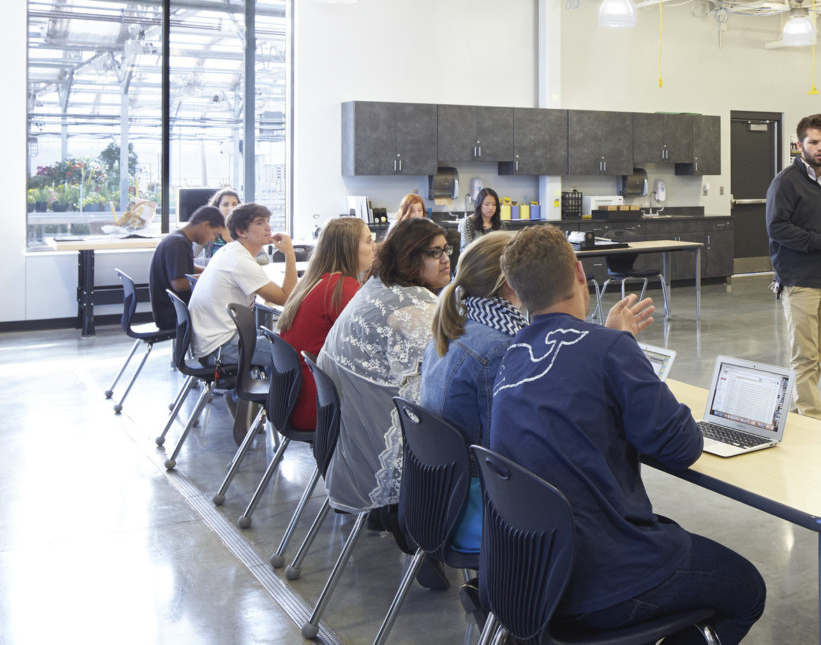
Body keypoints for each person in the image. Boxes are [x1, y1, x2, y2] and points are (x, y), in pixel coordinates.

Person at [490, 225, 765, 644]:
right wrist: (624, 348)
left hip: (534, 578)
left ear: (513, 289)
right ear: (580, 274)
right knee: (748, 591)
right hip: (609, 578)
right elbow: (682, 446)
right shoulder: (608, 350)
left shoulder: (510, 359)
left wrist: (612, 341)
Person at [421, 231, 656, 554]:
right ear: (511, 284)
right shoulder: (502, 348)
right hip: (489, 512)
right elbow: (523, 454)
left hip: (445, 500)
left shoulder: (457, 325)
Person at [316, 217, 451, 586]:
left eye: (446, 250)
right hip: (376, 442)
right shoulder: (413, 302)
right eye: (434, 252)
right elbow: (452, 365)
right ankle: (426, 531)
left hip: (352, 436)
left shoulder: (379, 285)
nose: (445, 260)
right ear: (410, 258)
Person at [765, 113, 821, 419]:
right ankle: (815, 419)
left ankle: (792, 412)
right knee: (804, 356)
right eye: (813, 141)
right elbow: (777, 229)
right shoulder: (786, 183)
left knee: (816, 355)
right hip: (799, 279)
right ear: (799, 144)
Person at [277, 217, 375, 431]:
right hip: (317, 404)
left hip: (293, 396)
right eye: (368, 241)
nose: (374, 247)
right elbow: (370, 342)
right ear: (348, 249)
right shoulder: (342, 288)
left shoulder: (319, 280)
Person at [187, 203, 296, 367]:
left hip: (211, 341)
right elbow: (287, 298)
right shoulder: (240, 261)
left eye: (267, 221)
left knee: (281, 344)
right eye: (260, 223)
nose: (268, 227)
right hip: (221, 347)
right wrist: (289, 252)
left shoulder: (231, 251)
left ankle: (272, 390)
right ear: (241, 231)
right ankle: (274, 392)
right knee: (291, 353)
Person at [149, 205, 225, 330]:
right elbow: (179, 284)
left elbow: (187, 266)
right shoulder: (177, 243)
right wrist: (213, 278)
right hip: (174, 316)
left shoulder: (178, 238)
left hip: (173, 311)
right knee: (226, 315)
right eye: (214, 234)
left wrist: (210, 271)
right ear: (205, 225)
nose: (213, 239)